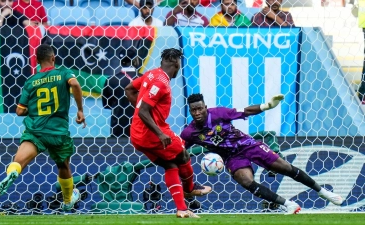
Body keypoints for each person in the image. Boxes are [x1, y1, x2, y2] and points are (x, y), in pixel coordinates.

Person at [180, 93, 344, 214]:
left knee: (285, 167)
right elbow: (179, 148)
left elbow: (245, 111)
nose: (197, 113)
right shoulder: (189, 133)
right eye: (193, 110)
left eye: (200, 108)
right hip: (232, 158)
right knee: (245, 181)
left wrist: (266, 106)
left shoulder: (219, 114)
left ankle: (323, 192)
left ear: (205, 108)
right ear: (190, 111)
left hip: (247, 145)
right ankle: (288, 204)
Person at [0, 44, 87, 211]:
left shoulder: (31, 81)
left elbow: (19, 110)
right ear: (53, 58)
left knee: (19, 160)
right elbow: (75, 85)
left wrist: (35, 108)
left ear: (37, 60)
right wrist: (80, 110)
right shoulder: (63, 73)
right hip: (57, 131)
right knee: (63, 166)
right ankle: (67, 200)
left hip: (35, 130)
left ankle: (12, 172)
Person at [125, 48, 211, 218]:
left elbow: (129, 89)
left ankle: (182, 209)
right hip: (151, 134)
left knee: (170, 165)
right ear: (176, 63)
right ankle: (190, 188)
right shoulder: (161, 83)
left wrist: (146, 112)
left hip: (136, 134)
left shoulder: (151, 74)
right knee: (184, 155)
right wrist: (159, 133)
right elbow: (143, 111)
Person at [102, 50, 142, 137]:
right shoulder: (144, 79)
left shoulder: (111, 80)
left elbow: (106, 105)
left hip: (118, 128)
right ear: (135, 60)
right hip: (141, 127)